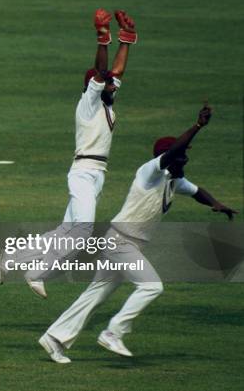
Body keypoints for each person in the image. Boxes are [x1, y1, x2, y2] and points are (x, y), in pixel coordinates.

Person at [39, 103, 238, 363]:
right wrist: (198, 126)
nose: (186, 159)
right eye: (182, 155)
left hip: (127, 244)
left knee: (95, 295)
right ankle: (114, 332)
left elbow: (197, 191)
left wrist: (216, 204)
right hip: (121, 242)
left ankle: (53, 338)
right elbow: (173, 153)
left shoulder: (175, 180)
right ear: (168, 157)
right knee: (152, 286)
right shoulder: (150, 172)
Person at [0, 9, 138, 298]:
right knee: (83, 233)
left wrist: (127, 39)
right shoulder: (89, 102)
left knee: (66, 231)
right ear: (93, 87)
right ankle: (36, 272)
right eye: (107, 82)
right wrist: (103, 38)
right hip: (84, 173)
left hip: (96, 176)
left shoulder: (108, 100)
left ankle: (11, 257)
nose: (113, 84)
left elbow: (117, 72)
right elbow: (103, 72)